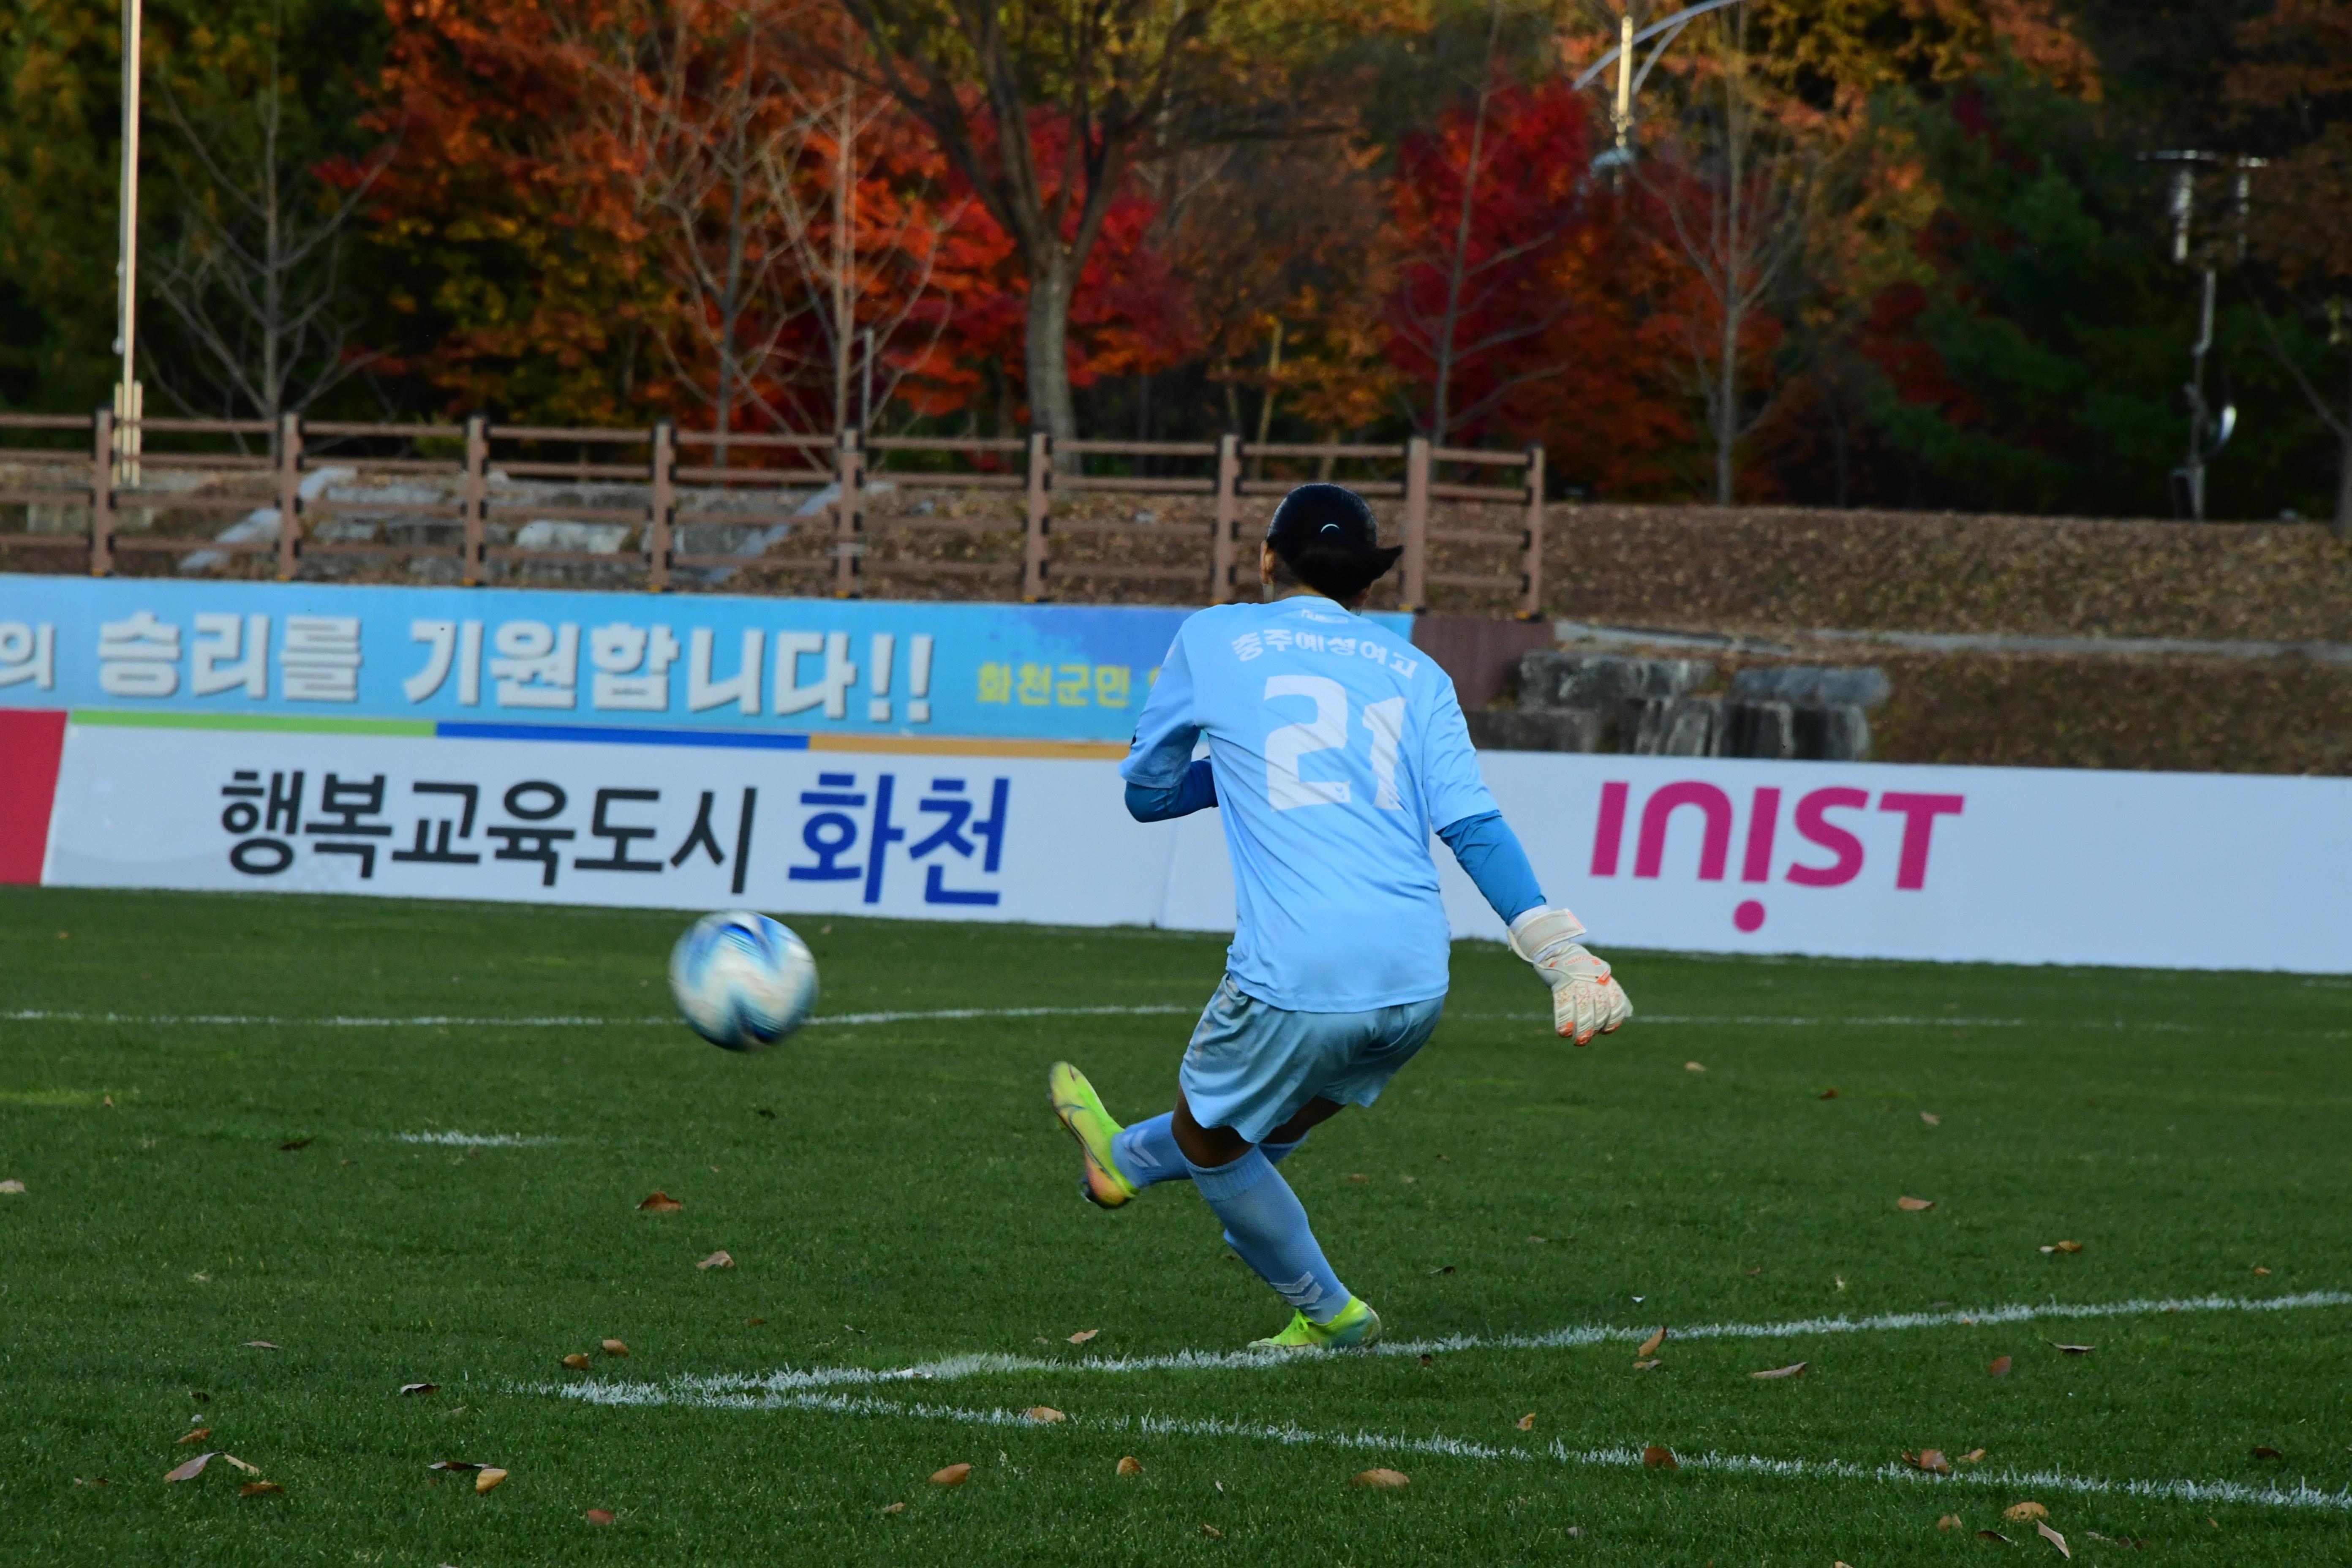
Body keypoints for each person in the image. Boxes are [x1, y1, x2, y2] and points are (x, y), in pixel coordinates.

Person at [1049, 482, 1632, 1352]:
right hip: (1414, 981)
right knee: (1265, 1125)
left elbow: (1146, 792)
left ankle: (1333, 1314)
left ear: (1262, 559)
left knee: (1218, 1147)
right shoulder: (1418, 672)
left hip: (1300, 974)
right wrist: (1562, 951)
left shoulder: (1213, 636)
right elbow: (1472, 823)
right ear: (1369, 583)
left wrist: (1234, 772)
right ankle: (1124, 1162)